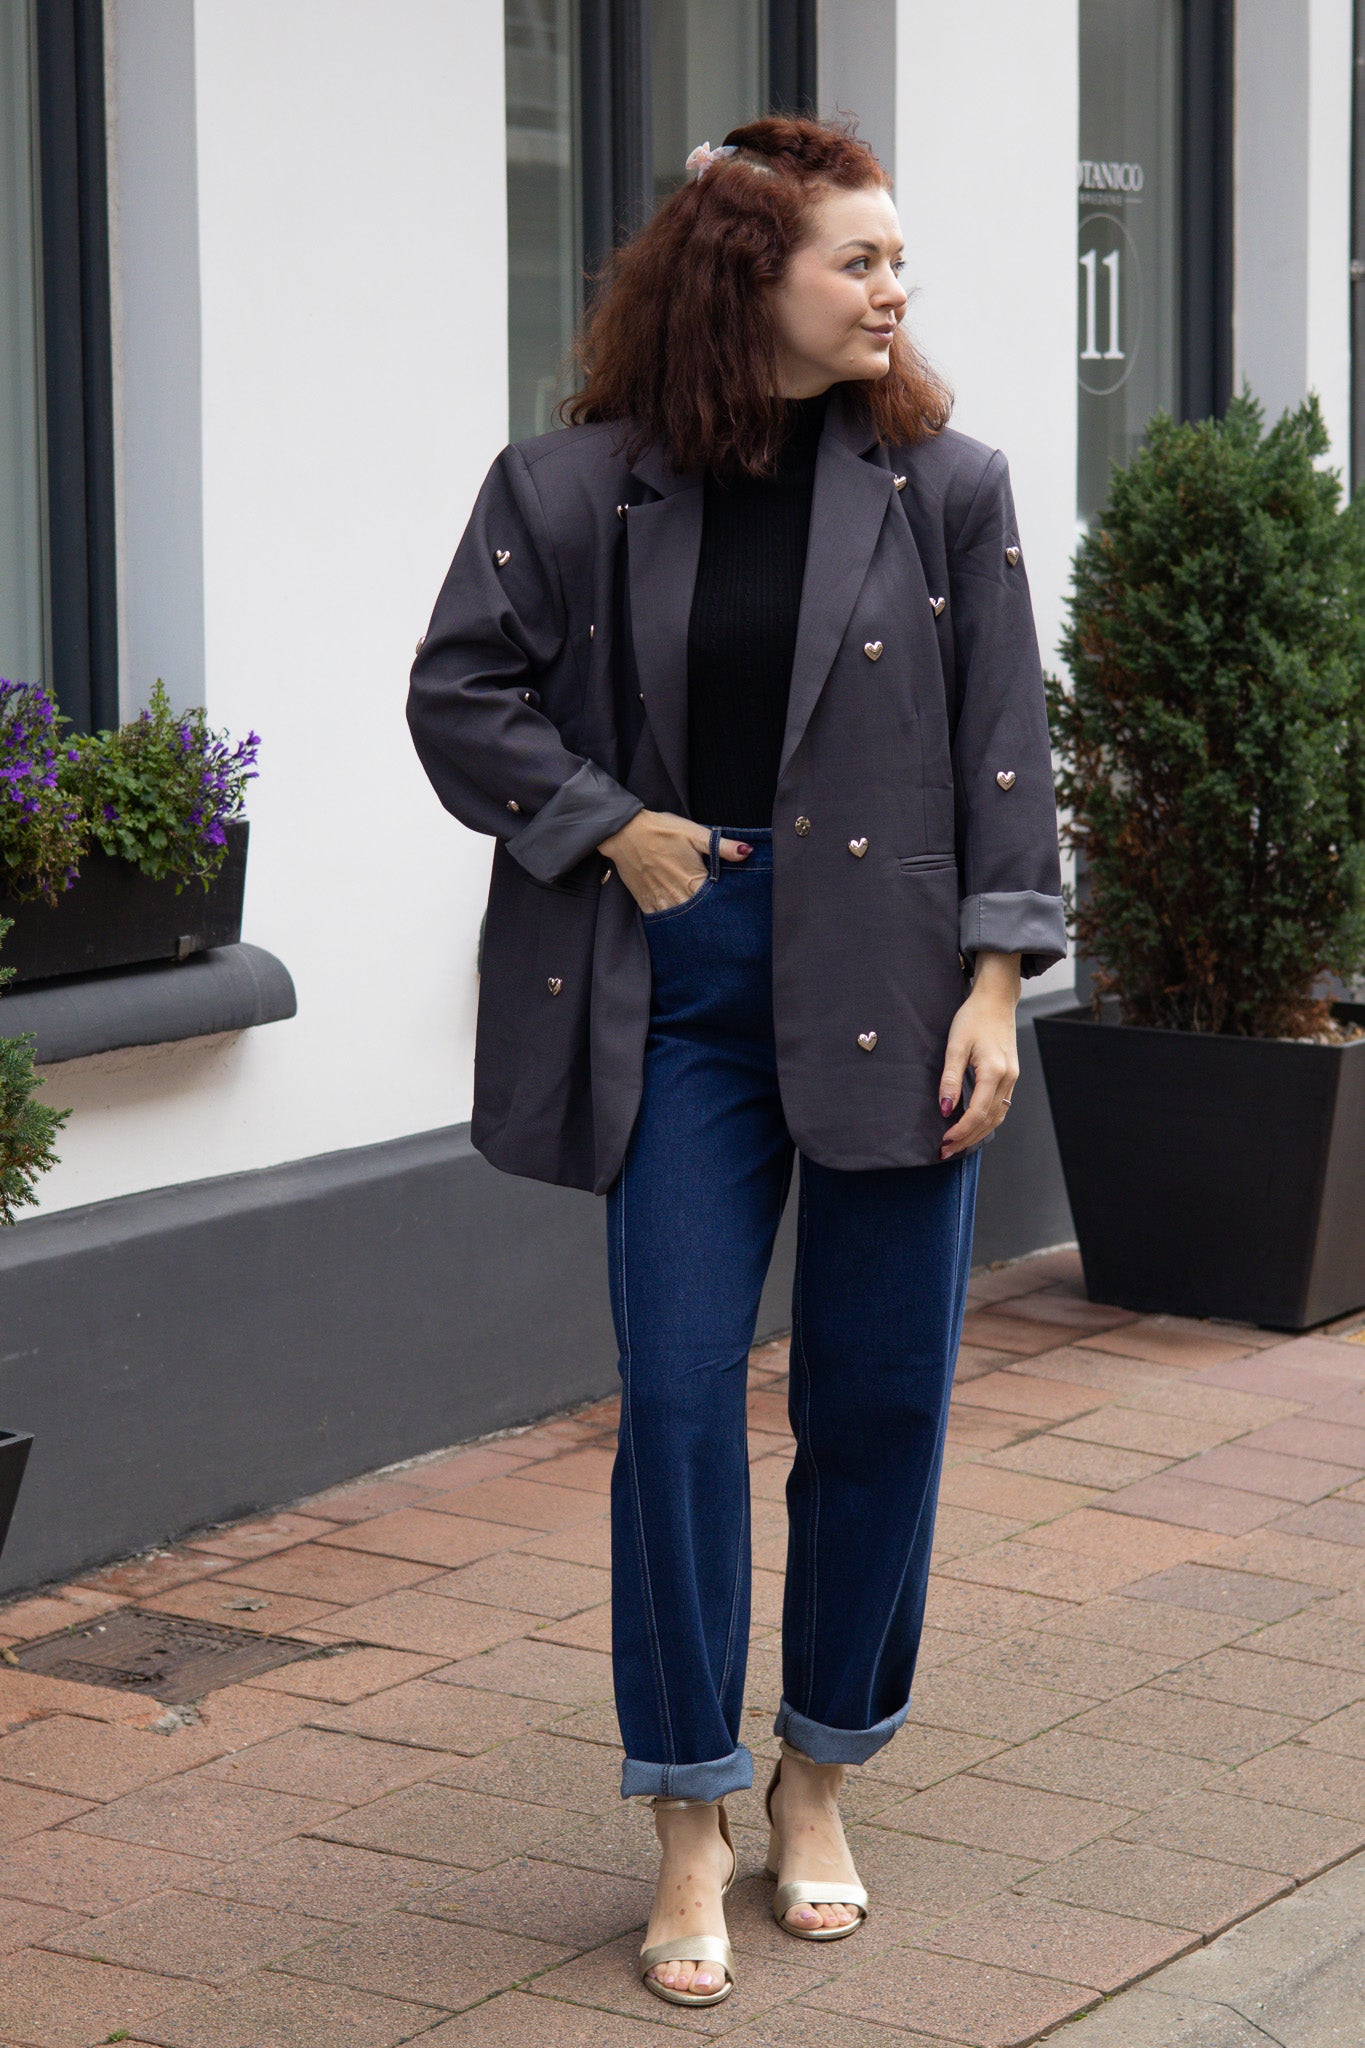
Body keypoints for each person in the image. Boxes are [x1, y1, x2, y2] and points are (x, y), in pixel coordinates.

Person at [408, 114, 1064, 2011]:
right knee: (681, 1402)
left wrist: (995, 989)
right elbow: (460, 690)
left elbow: (1002, 743)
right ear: (744, 279)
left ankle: (819, 1773)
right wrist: (609, 823)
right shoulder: (568, 487)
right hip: (674, 988)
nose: (891, 290)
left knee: (881, 1407)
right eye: (856, 260)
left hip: (891, 981)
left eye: (894, 260)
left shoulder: (945, 485)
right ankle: (689, 1807)